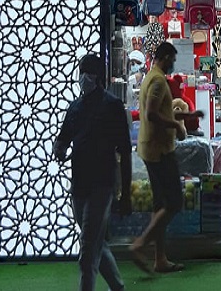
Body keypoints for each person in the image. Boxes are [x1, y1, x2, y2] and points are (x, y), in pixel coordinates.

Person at [54, 54, 133, 291]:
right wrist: (59, 149)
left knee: (88, 248)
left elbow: (125, 152)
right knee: (95, 241)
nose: (83, 78)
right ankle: (117, 287)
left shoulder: (112, 106)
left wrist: (126, 194)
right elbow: (63, 139)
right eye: (82, 72)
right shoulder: (75, 107)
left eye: (87, 72)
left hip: (103, 183)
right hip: (79, 184)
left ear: (97, 76)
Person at [129, 41, 203, 275]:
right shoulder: (159, 81)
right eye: (172, 59)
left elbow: (161, 110)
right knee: (174, 202)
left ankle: (159, 259)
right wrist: (176, 126)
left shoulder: (151, 77)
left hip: (151, 148)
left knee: (160, 204)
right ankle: (141, 244)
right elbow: (151, 114)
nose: (173, 63)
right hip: (159, 149)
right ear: (165, 58)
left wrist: (188, 115)